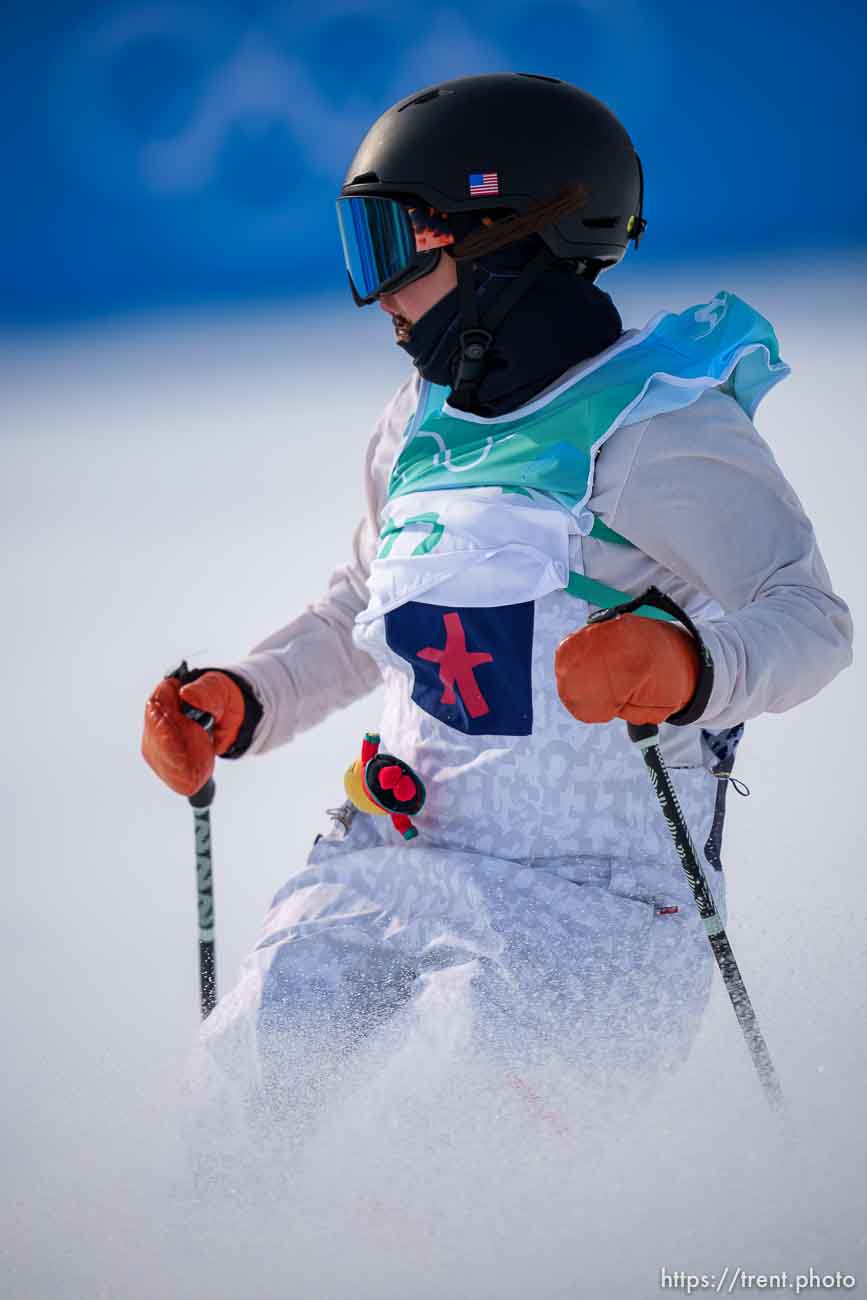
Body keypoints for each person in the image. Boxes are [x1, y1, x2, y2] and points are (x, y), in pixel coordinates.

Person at [142, 74, 852, 1152]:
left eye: (394, 247)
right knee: (219, 1134)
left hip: (589, 916)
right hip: (390, 869)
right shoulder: (416, 425)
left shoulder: (658, 426)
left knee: (426, 1178)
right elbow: (360, 610)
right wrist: (247, 697)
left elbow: (808, 621)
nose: (375, 293)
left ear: (503, 240)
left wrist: (687, 666)